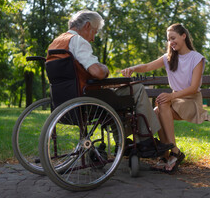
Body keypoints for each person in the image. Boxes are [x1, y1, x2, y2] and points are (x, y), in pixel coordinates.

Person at [46, 9, 172, 156]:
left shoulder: (56, 43)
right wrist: (104, 69)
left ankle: (122, 142)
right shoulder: (78, 41)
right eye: (94, 32)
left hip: (64, 100)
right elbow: (97, 72)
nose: (93, 38)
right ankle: (143, 141)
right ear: (87, 26)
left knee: (115, 98)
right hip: (87, 98)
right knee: (136, 89)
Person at [121, 23, 210, 173]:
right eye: (168, 39)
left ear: (183, 36)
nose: (170, 42)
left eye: (173, 38)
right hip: (175, 101)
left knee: (162, 103)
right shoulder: (169, 58)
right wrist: (132, 69)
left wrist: (171, 95)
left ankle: (174, 151)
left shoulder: (196, 58)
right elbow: (146, 67)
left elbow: (193, 87)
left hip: (191, 101)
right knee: (158, 109)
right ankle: (166, 155)